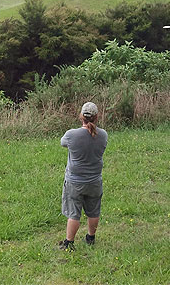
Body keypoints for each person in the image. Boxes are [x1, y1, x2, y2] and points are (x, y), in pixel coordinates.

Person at [58, 102, 108, 251]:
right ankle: (91, 238)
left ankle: (69, 243)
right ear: (97, 117)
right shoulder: (103, 135)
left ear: (81, 116)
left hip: (75, 181)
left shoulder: (71, 134)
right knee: (94, 211)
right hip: (94, 181)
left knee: (74, 213)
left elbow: (63, 143)